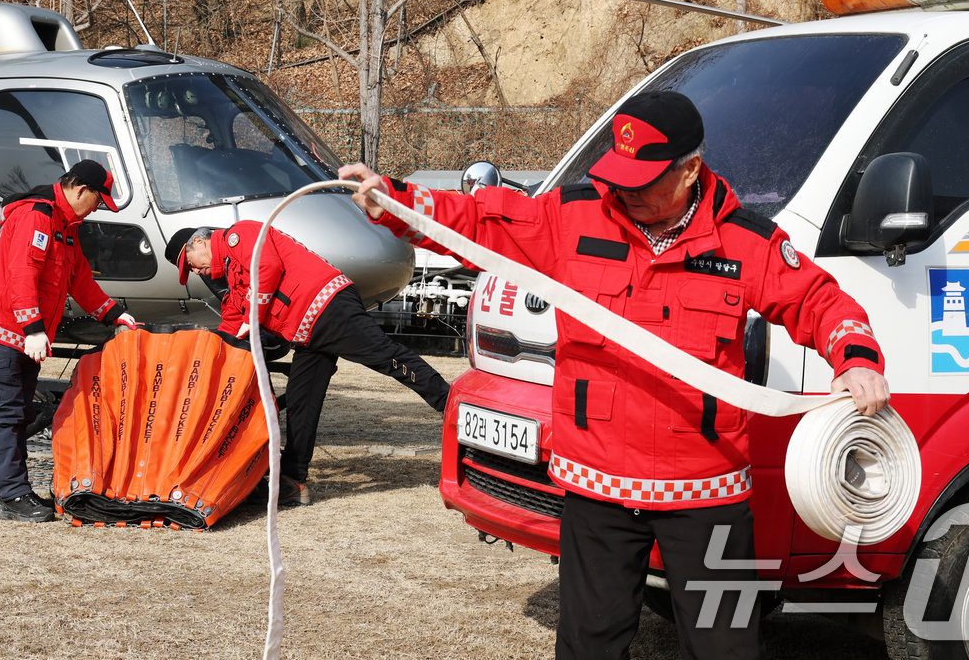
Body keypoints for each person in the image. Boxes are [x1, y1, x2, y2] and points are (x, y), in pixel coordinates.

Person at [341, 91, 890, 660]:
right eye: (618, 176)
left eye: (643, 179)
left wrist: (856, 358)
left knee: (725, 648)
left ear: (690, 171)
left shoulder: (745, 242)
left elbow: (820, 302)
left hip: (706, 495)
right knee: (589, 647)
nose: (625, 192)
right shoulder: (571, 216)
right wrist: (395, 201)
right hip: (596, 484)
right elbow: (481, 220)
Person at [165, 222, 452, 506]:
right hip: (309, 332)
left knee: (387, 357)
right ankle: (292, 481)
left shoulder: (240, 235)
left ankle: (451, 405)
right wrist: (210, 362)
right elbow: (231, 324)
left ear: (200, 243)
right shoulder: (233, 276)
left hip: (330, 307)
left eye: (189, 264)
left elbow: (268, 269)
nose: (194, 272)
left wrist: (251, 318)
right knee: (302, 401)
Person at [0, 160, 138, 522]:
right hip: (3, 333)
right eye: (97, 201)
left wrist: (112, 313)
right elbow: (20, 273)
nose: (96, 210)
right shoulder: (36, 216)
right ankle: (12, 496)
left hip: (25, 337)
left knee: (19, 413)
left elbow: (79, 278)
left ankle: (15, 491)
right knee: (6, 414)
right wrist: (32, 327)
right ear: (81, 189)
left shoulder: (64, 224)